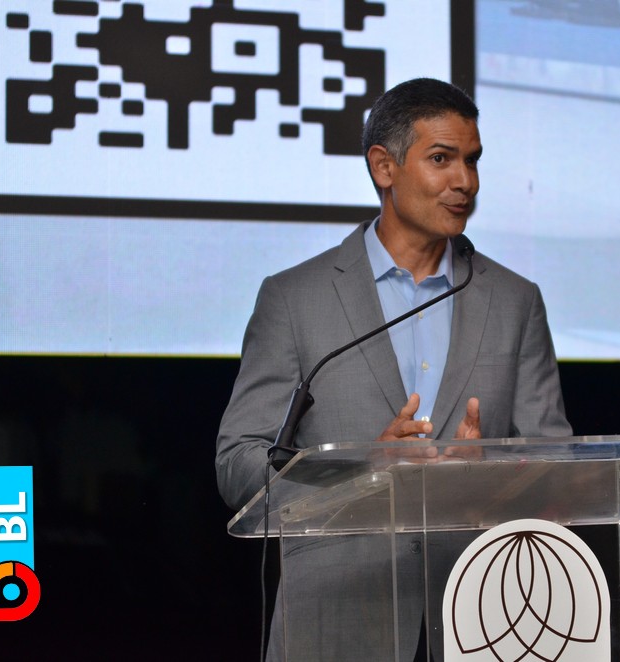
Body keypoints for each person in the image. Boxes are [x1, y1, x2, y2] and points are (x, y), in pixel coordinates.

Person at [216, 77, 571, 660]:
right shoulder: (295, 298)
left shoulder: (514, 300)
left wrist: (486, 477)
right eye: (442, 159)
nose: (466, 181)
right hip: (337, 622)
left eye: (473, 161)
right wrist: (361, 470)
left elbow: (556, 468)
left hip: (483, 620)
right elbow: (238, 466)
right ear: (384, 167)